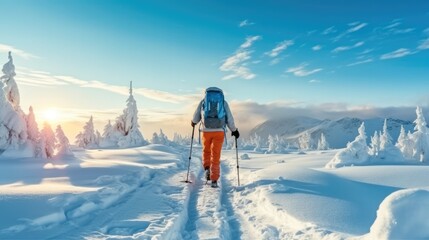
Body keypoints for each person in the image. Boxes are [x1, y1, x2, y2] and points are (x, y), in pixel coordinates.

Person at [191, 87, 239, 188]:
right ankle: (214, 180)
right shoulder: (224, 103)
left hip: (206, 130)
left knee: (206, 151)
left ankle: (207, 168)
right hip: (219, 131)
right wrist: (234, 130)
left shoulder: (204, 101)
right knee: (216, 155)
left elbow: (197, 116)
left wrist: (193, 122)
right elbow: (229, 118)